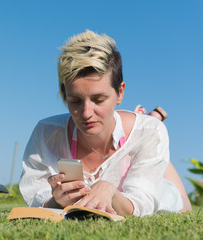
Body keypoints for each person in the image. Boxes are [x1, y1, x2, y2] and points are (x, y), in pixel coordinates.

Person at [19, 30, 191, 216]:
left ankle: (145, 129)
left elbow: (143, 203)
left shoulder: (150, 131)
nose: (86, 113)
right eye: (75, 101)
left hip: (149, 168)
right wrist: (55, 201)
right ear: (64, 94)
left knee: (179, 203)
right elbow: (35, 195)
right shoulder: (46, 133)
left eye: (98, 99)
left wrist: (110, 191)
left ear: (120, 92)